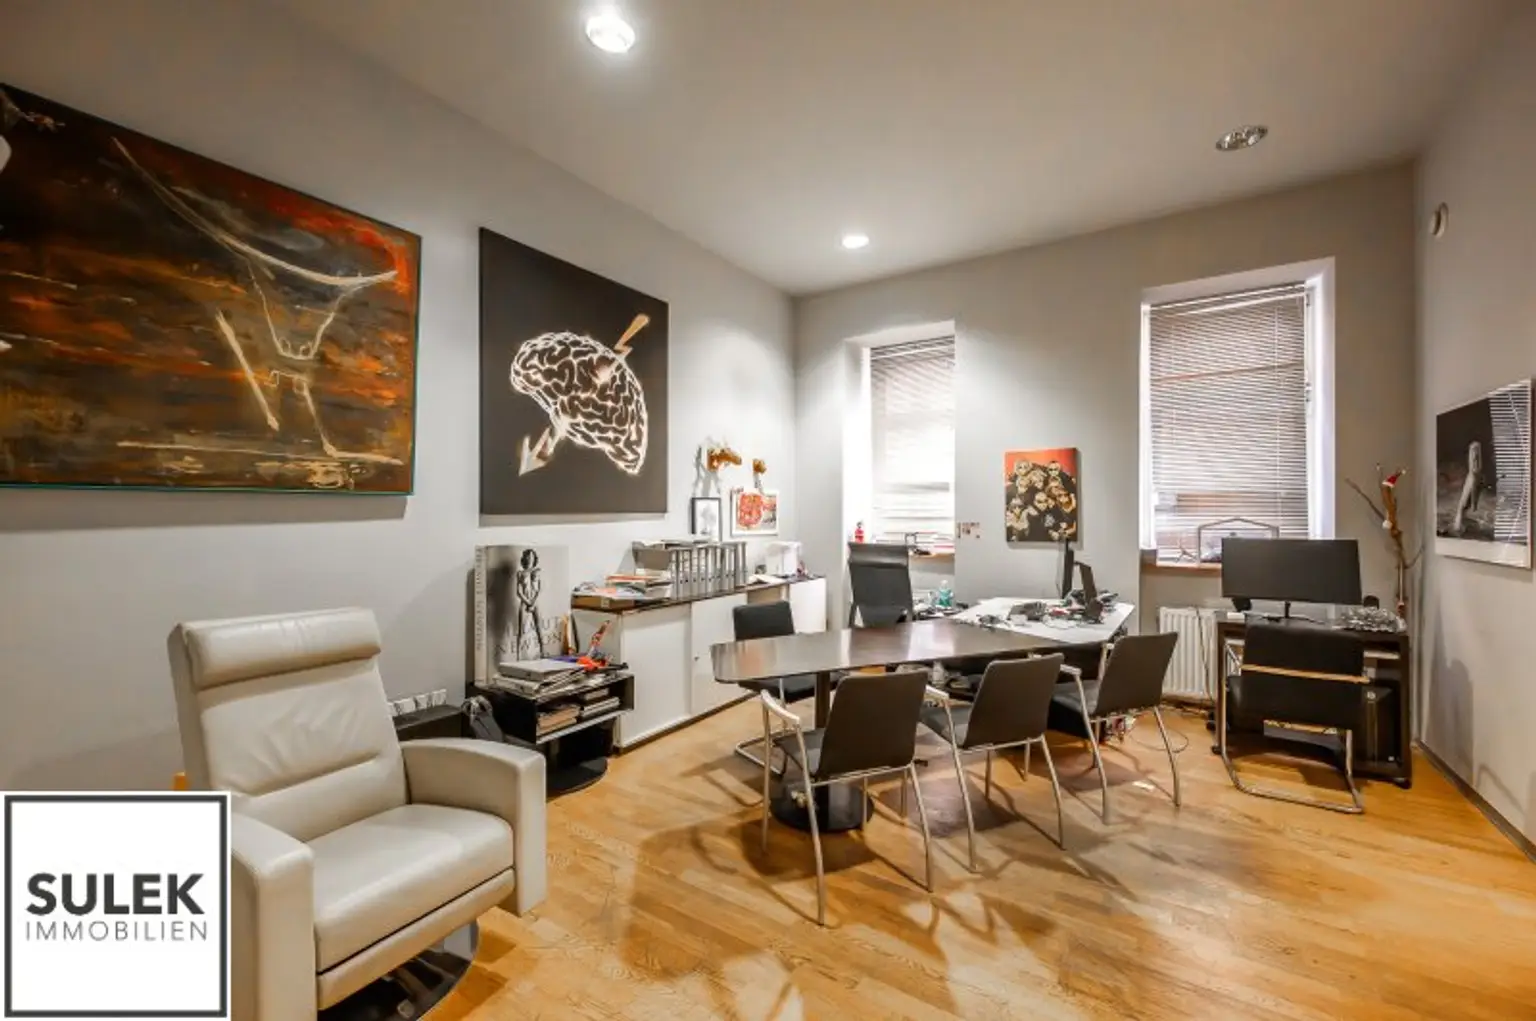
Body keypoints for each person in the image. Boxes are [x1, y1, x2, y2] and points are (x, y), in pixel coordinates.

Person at [1452, 439, 1484, 535]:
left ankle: (1459, 526)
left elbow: (1474, 489)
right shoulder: (1473, 476)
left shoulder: (1473, 476)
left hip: (1462, 513)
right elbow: (1473, 490)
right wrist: (1474, 504)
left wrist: (1474, 504)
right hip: (1462, 514)